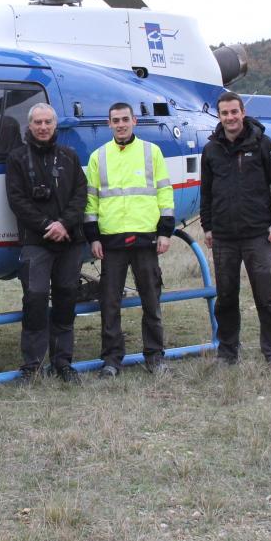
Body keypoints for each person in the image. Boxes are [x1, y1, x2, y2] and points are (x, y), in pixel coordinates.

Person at [200, 91, 271, 367]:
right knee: (225, 298)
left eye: (234, 112)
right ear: (220, 116)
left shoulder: (264, 144)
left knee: (266, 296)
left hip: (257, 235)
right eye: (224, 113)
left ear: (242, 113)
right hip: (224, 237)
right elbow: (206, 192)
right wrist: (208, 227)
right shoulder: (211, 150)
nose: (230, 118)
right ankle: (227, 353)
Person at [84, 102, 175, 376]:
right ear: (108, 124)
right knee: (109, 303)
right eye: (115, 120)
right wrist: (93, 238)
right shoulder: (98, 157)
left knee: (151, 300)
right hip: (111, 243)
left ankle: (155, 356)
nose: (121, 124)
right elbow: (91, 202)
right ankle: (112, 360)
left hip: (146, 240)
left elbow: (164, 193)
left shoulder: (152, 152)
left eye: (125, 119)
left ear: (134, 121)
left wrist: (165, 231)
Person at [4, 102, 89, 383]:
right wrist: (46, 226)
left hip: (70, 242)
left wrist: (64, 223)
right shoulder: (16, 158)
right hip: (36, 242)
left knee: (66, 300)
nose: (43, 127)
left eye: (47, 122)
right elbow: (17, 200)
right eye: (38, 123)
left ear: (55, 125)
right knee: (35, 300)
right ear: (30, 126)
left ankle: (63, 362)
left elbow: (80, 194)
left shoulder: (69, 156)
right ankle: (32, 365)